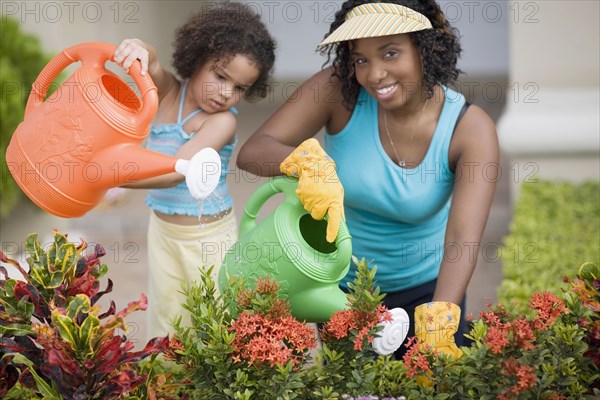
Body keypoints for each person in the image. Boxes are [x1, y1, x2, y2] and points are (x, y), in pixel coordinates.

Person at [236, 0, 498, 359]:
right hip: (342, 295)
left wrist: (440, 319)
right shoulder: (339, 92)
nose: (374, 75)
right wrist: (305, 163)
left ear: (426, 48)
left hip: (430, 292)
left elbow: (462, 239)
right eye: (361, 59)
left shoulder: (469, 129)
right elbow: (253, 151)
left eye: (390, 53)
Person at [113, 1, 276, 338]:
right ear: (197, 57)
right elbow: (152, 62)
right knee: (168, 318)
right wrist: (138, 49)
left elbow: (176, 169)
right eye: (220, 76)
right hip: (162, 231)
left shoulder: (220, 123)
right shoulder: (170, 92)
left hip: (208, 239)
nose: (227, 93)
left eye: (240, 88)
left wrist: (113, 176)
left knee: (215, 321)